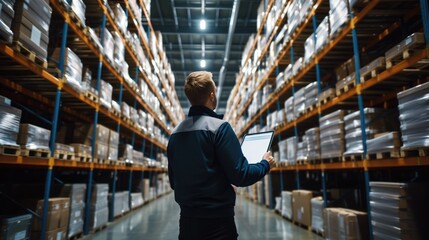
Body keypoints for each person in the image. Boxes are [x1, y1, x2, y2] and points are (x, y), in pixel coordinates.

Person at [167, 71, 275, 240]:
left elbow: (174, 182)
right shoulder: (220, 128)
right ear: (212, 95)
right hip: (217, 225)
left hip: (187, 225)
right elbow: (241, 175)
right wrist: (265, 164)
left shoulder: (175, 133)